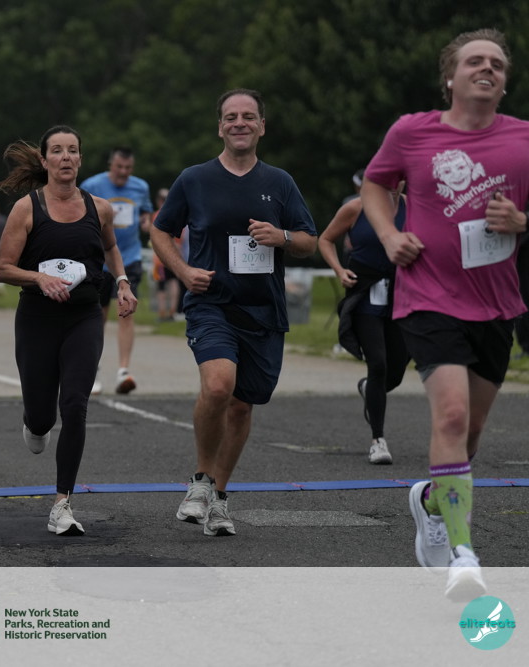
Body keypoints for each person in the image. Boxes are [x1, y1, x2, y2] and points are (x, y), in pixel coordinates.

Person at [360, 29, 529, 601]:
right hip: (428, 296)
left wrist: (522, 223)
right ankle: (464, 554)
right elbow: (376, 185)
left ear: (504, 82)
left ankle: (432, 500)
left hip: (496, 303)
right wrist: (389, 235)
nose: (487, 69)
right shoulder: (413, 132)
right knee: (451, 417)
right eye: (474, 61)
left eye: (497, 64)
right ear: (450, 77)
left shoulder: (523, 139)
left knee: (470, 433)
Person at [150, 89, 317, 537]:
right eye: (230, 117)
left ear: (262, 125)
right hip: (212, 304)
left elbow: (309, 240)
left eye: (248, 116)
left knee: (242, 406)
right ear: (220, 127)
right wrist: (184, 271)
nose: (239, 122)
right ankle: (201, 481)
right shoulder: (195, 179)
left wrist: (281, 236)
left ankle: (219, 497)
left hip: (262, 310)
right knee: (219, 385)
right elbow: (160, 231)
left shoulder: (279, 182)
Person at [0, 125, 138, 535]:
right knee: (43, 417)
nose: (66, 157)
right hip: (37, 319)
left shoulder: (100, 208)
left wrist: (122, 281)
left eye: (73, 150)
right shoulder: (26, 209)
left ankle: (62, 504)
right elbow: (3, 268)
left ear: (80, 159)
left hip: (84, 317)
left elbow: (111, 247)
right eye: (57, 150)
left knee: (74, 405)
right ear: (45, 160)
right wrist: (39, 278)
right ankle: (34, 422)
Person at [318, 182, 410, 464]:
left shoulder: (415, 207)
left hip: (402, 296)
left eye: (399, 176)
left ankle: (370, 387)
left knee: (395, 371)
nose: (393, 182)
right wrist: (339, 270)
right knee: (378, 364)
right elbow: (325, 239)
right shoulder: (356, 207)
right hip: (365, 295)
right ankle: (378, 440)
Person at [80, 147, 153, 394]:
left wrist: (146, 222)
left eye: (128, 168)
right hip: (99, 260)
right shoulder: (92, 185)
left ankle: (123, 371)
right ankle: (93, 370)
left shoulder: (140, 187)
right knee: (97, 315)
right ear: (110, 165)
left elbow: (145, 212)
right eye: (119, 167)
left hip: (129, 258)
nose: (123, 172)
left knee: (126, 311)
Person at [150, 187, 182, 322]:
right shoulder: (177, 214)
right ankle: (172, 313)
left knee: (162, 286)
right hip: (175, 254)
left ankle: (163, 314)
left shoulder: (157, 215)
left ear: (158, 201)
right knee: (174, 283)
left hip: (161, 256)